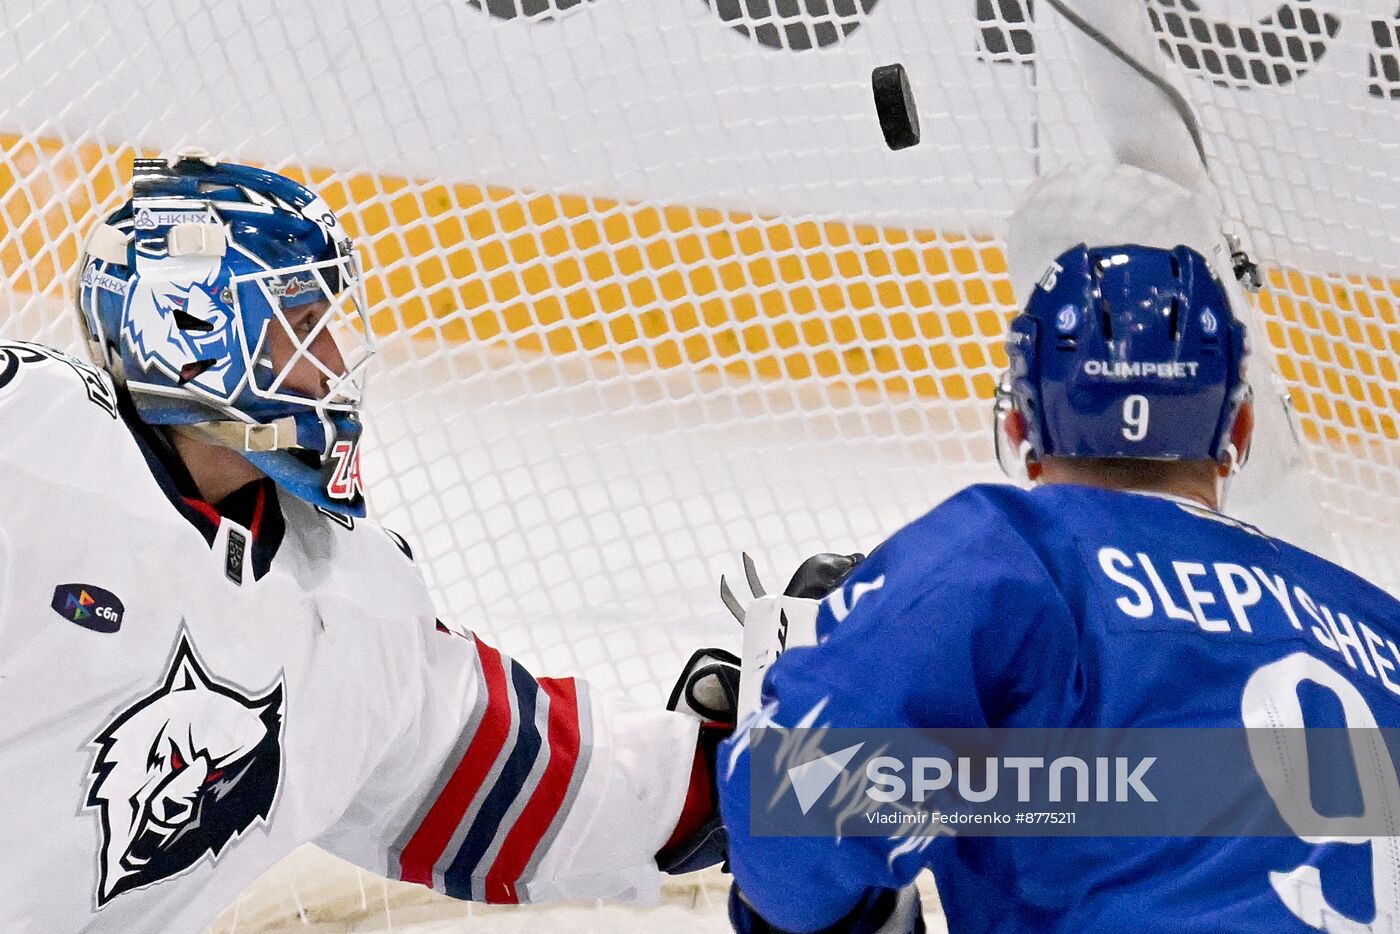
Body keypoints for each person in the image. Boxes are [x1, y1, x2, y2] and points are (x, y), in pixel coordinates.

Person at [0, 150, 733, 933]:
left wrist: (833, 766)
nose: (336, 363)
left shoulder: (348, 605)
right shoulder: (30, 441)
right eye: (303, 325)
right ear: (196, 327)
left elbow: (568, 789)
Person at [716, 233, 1400, 932]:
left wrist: (761, 739)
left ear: (1020, 420)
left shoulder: (1006, 557)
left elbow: (793, 844)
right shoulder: (1380, 625)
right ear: (1242, 422)